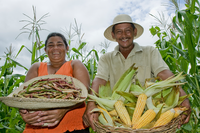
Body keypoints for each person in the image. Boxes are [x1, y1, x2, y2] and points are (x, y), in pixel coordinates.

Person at [83, 14, 191, 131]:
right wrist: (91, 103)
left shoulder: (150, 52)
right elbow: (100, 79)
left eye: (128, 31)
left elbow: (163, 73)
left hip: (147, 112)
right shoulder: (106, 58)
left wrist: (181, 95)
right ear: (113, 35)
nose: (124, 35)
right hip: (118, 118)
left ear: (134, 32)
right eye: (119, 32)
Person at [19, 32, 90, 133]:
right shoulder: (36, 67)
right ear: (45, 50)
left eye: (60, 44)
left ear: (67, 48)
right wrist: (23, 113)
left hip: (72, 127)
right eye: (51, 45)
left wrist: (63, 110)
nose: (55, 48)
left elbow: (84, 92)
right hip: (39, 127)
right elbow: (23, 96)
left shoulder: (75, 64)